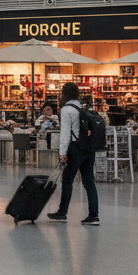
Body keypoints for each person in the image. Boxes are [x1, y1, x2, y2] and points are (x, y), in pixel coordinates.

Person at [48, 82, 99, 225]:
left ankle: (62, 212)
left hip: (75, 148)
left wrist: (62, 153)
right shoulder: (83, 108)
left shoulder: (66, 110)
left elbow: (65, 133)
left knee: (67, 180)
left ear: (64, 95)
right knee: (89, 182)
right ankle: (94, 216)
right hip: (88, 148)